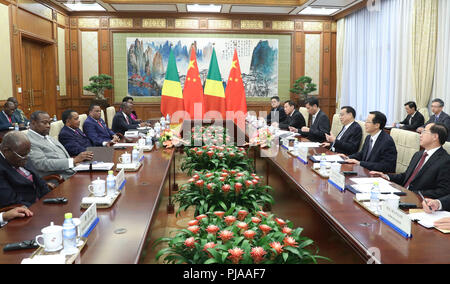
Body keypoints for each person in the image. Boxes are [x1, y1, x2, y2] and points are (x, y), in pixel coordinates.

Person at [370, 123, 450, 199]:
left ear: (435, 137)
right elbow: (406, 176)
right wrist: (386, 176)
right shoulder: (418, 154)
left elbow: (443, 191)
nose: (420, 135)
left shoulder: (445, 161)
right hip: (401, 195)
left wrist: (413, 194)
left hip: (418, 201)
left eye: (424, 131)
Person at [27, 111, 93, 182]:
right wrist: (73, 161)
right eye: (44, 123)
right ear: (33, 123)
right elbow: (42, 164)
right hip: (59, 178)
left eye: (49, 123)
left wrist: (76, 163)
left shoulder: (47, 136)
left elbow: (62, 156)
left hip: (72, 170)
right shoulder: (30, 141)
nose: (48, 126)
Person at [0, 131, 50, 209]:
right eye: (23, 155)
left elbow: (39, 180)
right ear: (6, 151)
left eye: (28, 153)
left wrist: (50, 199)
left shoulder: (21, 153)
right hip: (26, 210)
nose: (27, 157)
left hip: (43, 203)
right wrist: (38, 208)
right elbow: (11, 200)